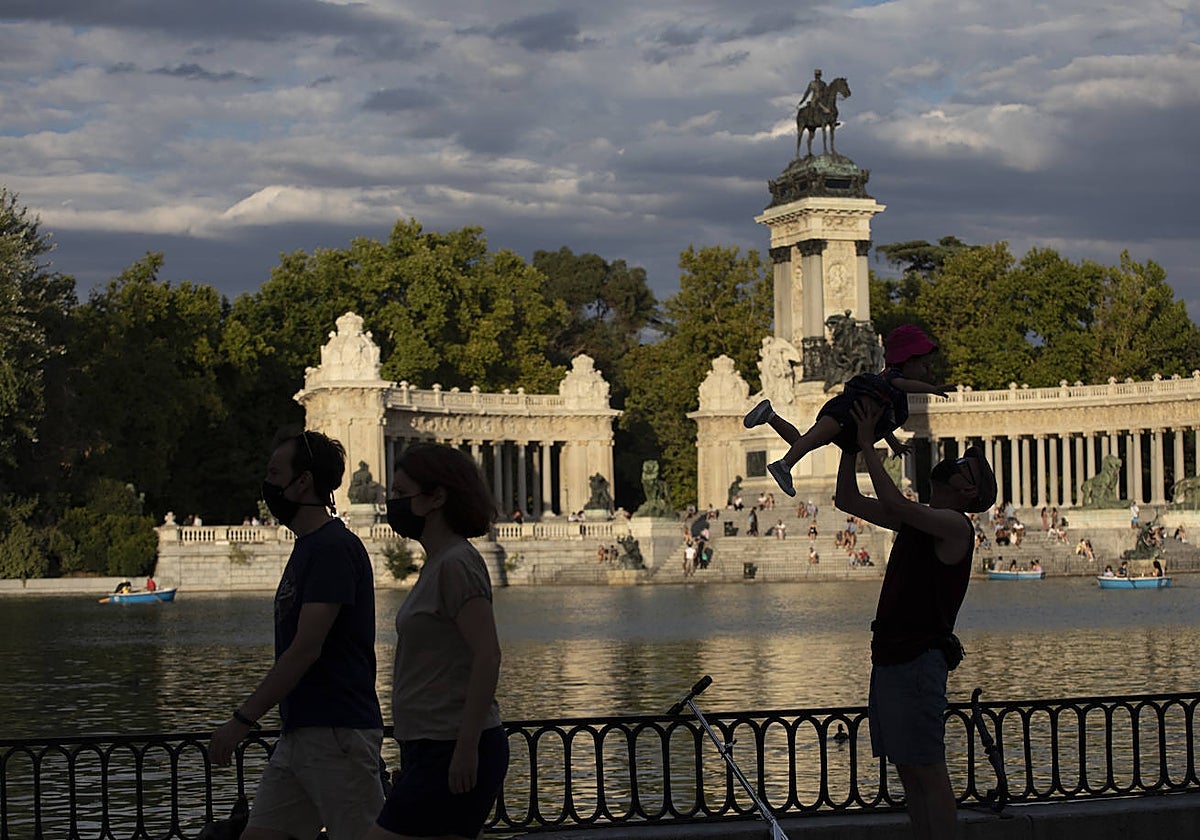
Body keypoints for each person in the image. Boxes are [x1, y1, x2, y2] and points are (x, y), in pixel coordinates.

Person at [208, 430, 384, 840]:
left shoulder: (331, 549)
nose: (268, 483)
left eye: (274, 472)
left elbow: (305, 649)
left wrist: (242, 720)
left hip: (337, 733)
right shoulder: (309, 547)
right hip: (301, 731)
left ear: (302, 481)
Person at [834, 398, 996, 840]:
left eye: (966, 467)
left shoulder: (955, 525)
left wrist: (868, 442)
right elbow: (845, 498)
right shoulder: (922, 523)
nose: (955, 463)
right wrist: (849, 443)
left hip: (919, 660)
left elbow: (899, 506)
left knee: (927, 769)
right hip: (891, 655)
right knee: (909, 769)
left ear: (968, 493)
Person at [366, 443, 508, 840]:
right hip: (429, 745)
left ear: (436, 498)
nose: (391, 502)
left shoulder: (456, 563)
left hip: (452, 744)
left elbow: (487, 655)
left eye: (399, 492)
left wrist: (465, 749)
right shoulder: (438, 563)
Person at [745, 325, 948, 496]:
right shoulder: (893, 376)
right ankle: (784, 465)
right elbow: (903, 385)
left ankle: (769, 415)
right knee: (807, 442)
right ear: (908, 360)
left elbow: (883, 423)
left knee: (801, 442)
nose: (925, 370)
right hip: (845, 414)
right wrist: (933, 389)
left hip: (848, 417)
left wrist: (895, 445)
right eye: (923, 364)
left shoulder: (895, 396)